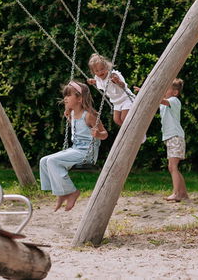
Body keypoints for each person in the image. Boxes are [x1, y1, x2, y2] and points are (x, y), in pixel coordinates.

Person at [40, 80, 108, 211]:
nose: (65, 98)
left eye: (68, 95)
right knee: (44, 161)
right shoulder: (71, 113)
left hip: (86, 154)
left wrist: (98, 134)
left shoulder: (89, 115)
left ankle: (72, 192)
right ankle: (61, 192)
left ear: (79, 99)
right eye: (64, 95)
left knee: (53, 161)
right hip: (75, 149)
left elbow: (105, 134)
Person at [86, 53, 136, 126]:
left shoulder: (113, 75)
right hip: (116, 102)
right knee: (117, 120)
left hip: (126, 99)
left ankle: (133, 128)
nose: (100, 72)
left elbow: (123, 86)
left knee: (124, 118)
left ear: (106, 66)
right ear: (93, 72)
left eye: (102, 69)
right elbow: (99, 82)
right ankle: (128, 129)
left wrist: (117, 81)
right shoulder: (98, 78)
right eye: (97, 71)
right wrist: (93, 81)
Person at [160, 78, 188, 202]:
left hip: (175, 137)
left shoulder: (174, 100)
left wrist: (149, 94)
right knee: (173, 167)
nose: (163, 91)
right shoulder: (166, 102)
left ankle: (177, 193)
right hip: (171, 138)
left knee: (173, 167)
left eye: (166, 89)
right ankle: (183, 194)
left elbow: (161, 101)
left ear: (175, 92)